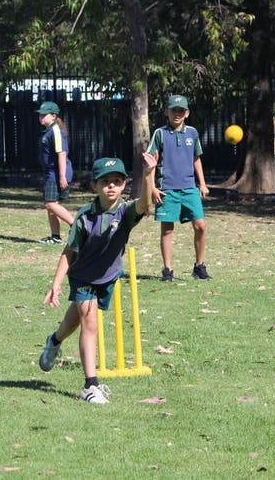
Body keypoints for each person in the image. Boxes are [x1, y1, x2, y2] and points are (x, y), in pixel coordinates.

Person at [38, 152, 157, 404]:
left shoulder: (125, 212)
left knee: (76, 321)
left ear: (124, 184)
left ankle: (54, 340)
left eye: (116, 180)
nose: (111, 185)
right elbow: (69, 252)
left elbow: (145, 205)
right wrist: (56, 284)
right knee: (90, 324)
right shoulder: (84, 216)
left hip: (108, 276)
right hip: (82, 276)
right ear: (95, 185)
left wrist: (148, 174)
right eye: (105, 181)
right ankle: (90, 385)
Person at [146, 94, 211, 281]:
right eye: (174, 110)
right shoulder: (160, 133)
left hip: (189, 187)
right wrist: (152, 188)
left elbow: (196, 158)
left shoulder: (192, 133)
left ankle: (199, 266)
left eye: (181, 111)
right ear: (167, 111)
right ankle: (167, 270)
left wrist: (203, 184)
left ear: (187, 113)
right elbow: (150, 161)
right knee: (167, 229)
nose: (177, 114)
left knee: (200, 226)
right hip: (167, 189)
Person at [36, 101, 74, 244]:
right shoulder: (48, 131)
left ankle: (74, 224)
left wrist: (62, 176)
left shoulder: (56, 131)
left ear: (53, 116)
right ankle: (55, 237)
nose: (41, 117)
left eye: (44, 115)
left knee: (50, 204)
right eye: (40, 115)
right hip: (50, 172)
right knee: (52, 207)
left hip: (56, 173)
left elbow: (62, 154)